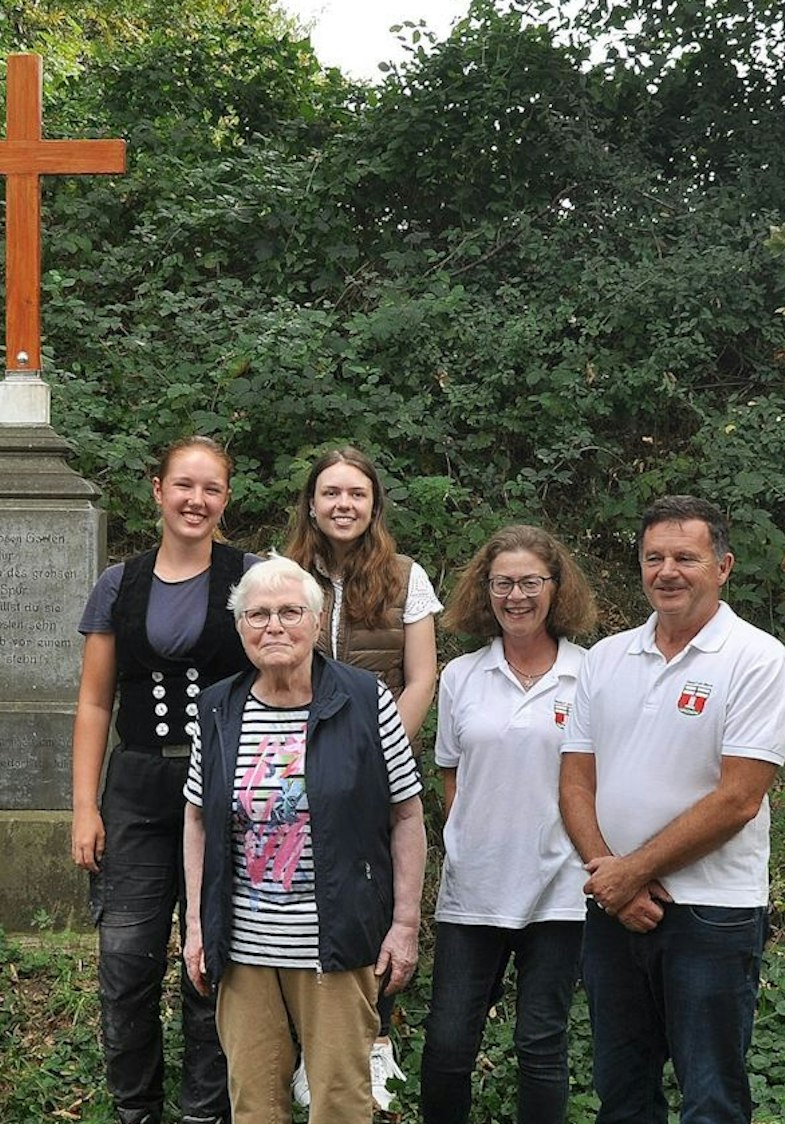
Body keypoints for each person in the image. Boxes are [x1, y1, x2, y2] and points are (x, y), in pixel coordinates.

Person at [560, 496, 785, 1123]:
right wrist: (607, 874)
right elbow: (575, 783)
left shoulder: (758, 660)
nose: (667, 571)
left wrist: (630, 871)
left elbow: (737, 800)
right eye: (654, 558)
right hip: (612, 908)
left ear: (723, 566)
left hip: (713, 913)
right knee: (622, 1089)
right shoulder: (607, 657)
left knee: (711, 1095)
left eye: (685, 558)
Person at [182, 555, 427, 1124]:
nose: (274, 626)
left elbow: (407, 816)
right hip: (243, 950)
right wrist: (196, 926)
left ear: (316, 623)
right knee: (255, 1105)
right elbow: (196, 819)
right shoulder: (218, 708)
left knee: (341, 1103)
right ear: (239, 628)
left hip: (337, 945)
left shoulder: (365, 700)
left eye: (291, 612)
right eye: (258, 614)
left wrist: (406, 926)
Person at [70, 436, 251, 1124]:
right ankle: (135, 1111)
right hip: (138, 787)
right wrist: (84, 807)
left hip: (228, 788)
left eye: (209, 489)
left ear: (224, 498)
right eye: (183, 485)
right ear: (156, 490)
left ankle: (206, 1113)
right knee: (126, 961)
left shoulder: (252, 576)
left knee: (215, 961)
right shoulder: (119, 583)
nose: (194, 501)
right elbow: (93, 703)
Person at [419, 525, 598, 1124]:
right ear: (484, 590)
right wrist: (467, 837)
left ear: (556, 587)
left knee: (541, 1044)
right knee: (447, 1044)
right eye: (503, 583)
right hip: (474, 889)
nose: (516, 596)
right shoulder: (460, 676)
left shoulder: (593, 673)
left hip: (561, 888)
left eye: (529, 582)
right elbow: (450, 771)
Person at [279, 445, 441, 1104]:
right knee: (295, 895)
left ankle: (372, 1042)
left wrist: (381, 755)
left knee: (375, 899)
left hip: (375, 768)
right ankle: (303, 1050)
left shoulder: (405, 576)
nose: (343, 504)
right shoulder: (282, 572)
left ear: (373, 505)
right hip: (292, 767)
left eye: (356, 493)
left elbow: (422, 674)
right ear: (311, 505)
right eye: (331, 493)